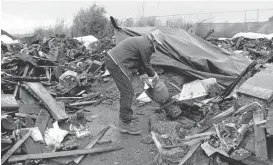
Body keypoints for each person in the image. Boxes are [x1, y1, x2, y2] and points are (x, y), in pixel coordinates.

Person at [105, 29, 166, 135]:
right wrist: (154, 76)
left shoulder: (143, 41)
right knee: (127, 92)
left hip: (114, 61)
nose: (158, 47)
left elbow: (140, 62)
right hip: (116, 62)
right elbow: (146, 65)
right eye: (159, 45)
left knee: (127, 91)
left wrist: (146, 78)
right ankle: (125, 123)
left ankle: (126, 116)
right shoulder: (146, 45)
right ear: (155, 41)